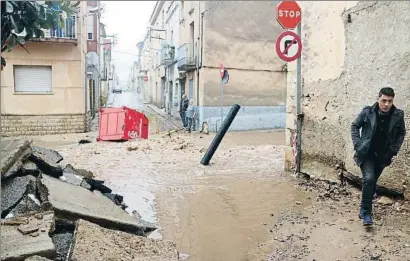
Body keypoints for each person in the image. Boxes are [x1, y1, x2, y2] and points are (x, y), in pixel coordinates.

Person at [351, 87, 406, 226]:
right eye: (384, 101)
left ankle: (370, 194)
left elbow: (401, 132)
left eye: (390, 101)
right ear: (378, 99)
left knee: (373, 180)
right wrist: (358, 145)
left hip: (383, 156)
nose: (387, 104)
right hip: (367, 153)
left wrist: (394, 150)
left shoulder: (398, 115)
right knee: (368, 179)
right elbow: (354, 126)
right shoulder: (368, 112)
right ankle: (366, 212)